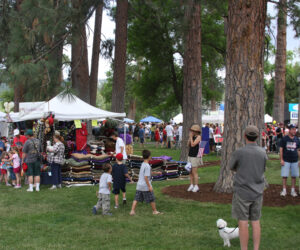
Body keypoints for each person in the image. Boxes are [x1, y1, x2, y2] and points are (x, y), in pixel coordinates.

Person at [230, 125, 267, 250]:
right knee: (255, 221)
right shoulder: (263, 152)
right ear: (257, 137)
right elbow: (263, 168)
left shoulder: (239, 152)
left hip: (242, 191)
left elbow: (232, 166)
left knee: (243, 222)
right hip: (257, 191)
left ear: (244, 136)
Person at [130, 150, 162, 216]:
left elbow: (148, 173)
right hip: (145, 186)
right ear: (149, 157)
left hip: (139, 185)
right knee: (152, 199)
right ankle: (155, 211)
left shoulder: (143, 164)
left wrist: (156, 173)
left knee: (136, 199)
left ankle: (132, 211)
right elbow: (146, 177)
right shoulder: (147, 166)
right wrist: (149, 186)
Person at [279, 124, 300, 197]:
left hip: (295, 160)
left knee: (294, 176)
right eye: (293, 129)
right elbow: (281, 149)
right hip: (286, 160)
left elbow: (298, 150)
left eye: (295, 129)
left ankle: (292, 190)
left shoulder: (297, 139)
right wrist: (281, 159)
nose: (294, 131)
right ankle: (284, 190)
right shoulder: (284, 139)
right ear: (290, 130)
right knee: (285, 176)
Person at [187, 124, 202, 193]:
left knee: (194, 172)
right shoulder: (192, 137)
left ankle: (196, 185)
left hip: (195, 156)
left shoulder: (199, 137)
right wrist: (190, 138)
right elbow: (188, 145)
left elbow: (193, 145)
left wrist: (191, 138)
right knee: (190, 171)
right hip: (190, 155)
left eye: (193, 131)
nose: (192, 132)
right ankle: (191, 184)